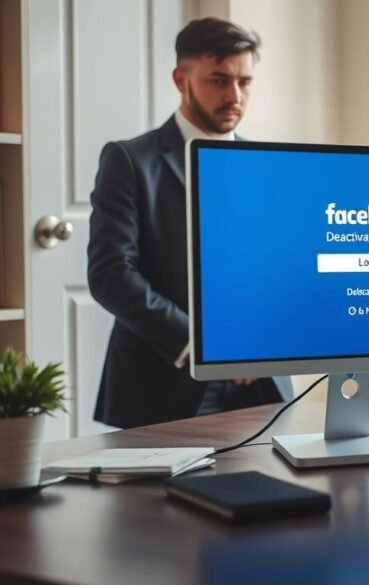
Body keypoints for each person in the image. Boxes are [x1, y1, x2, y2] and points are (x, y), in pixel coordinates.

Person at [88, 18, 291, 429]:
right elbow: (110, 274)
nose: (234, 95)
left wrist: (256, 343)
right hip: (161, 382)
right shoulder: (128, 160)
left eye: (244, 82)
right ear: (181, 80)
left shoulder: (266, 164)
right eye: (219, 80)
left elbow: (278, 270)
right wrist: (203, 346)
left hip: (259, 380)